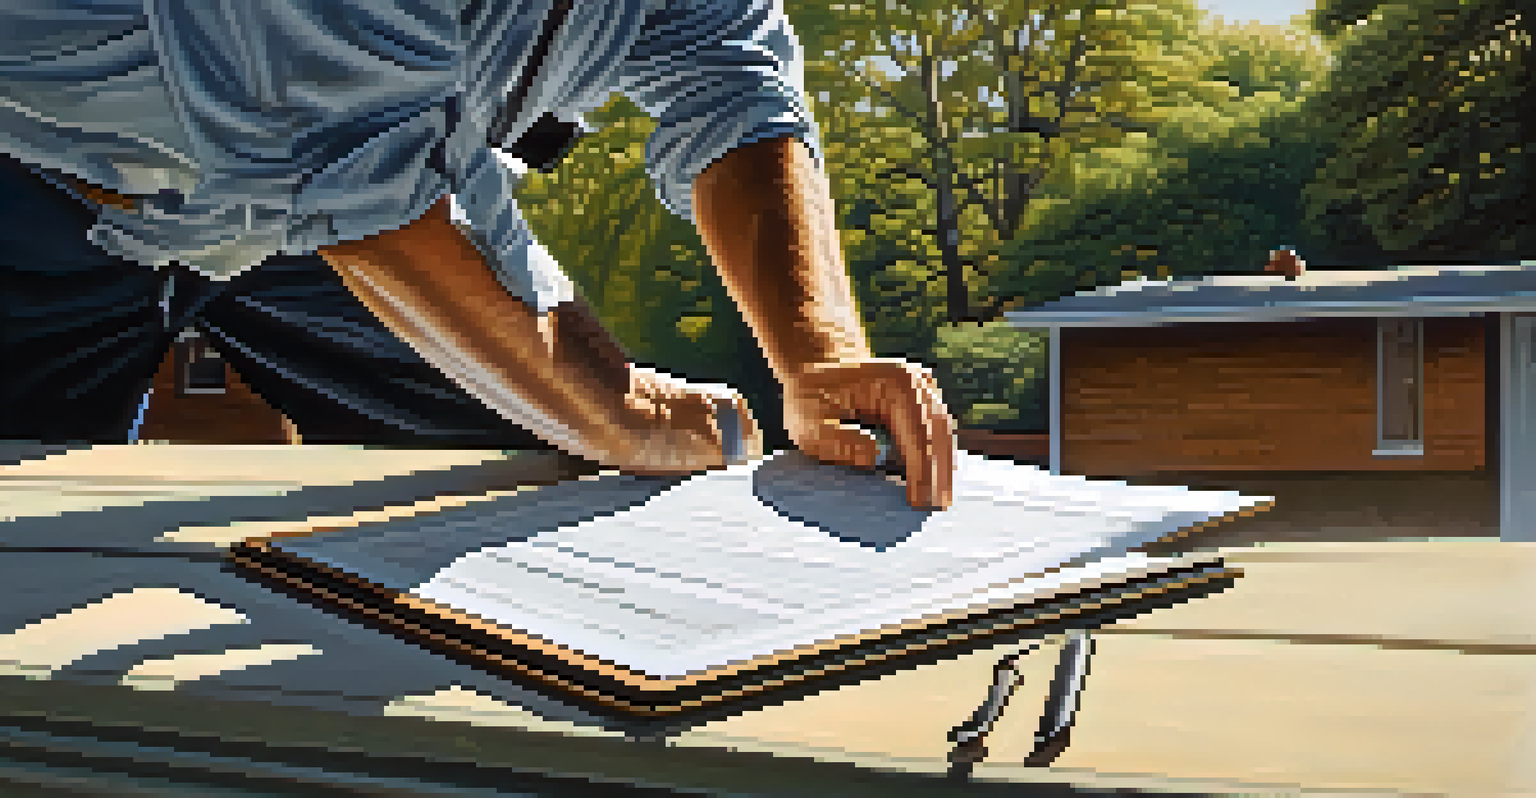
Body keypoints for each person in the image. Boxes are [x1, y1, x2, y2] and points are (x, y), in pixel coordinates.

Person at [0, 0, 956, 509]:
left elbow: (733, 83)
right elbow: (367, 170)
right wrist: (621, 404)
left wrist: (819, 353)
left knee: (536, 481)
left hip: (300, 211)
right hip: (37, 189)